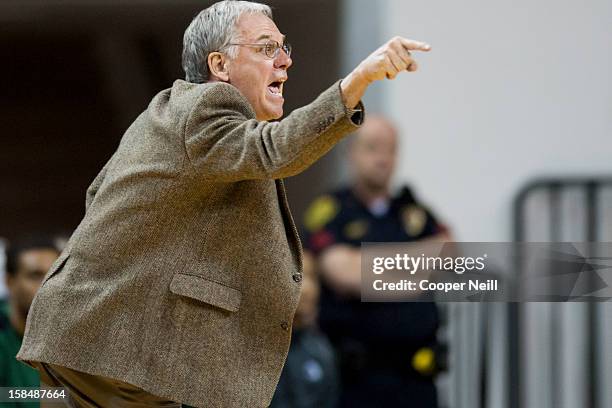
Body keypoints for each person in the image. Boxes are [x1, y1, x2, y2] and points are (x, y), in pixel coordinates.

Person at [17, 1, 432, 406]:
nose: (284, 61)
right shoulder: (209, 105)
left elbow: (97, 194)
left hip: (87, 342)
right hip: (115, 349)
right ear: (219, 66)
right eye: (267, 48)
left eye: (284, 47)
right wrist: (354, 84)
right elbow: (274, 150)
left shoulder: (170, 113)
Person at [303, 115, 450, 407]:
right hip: (356, 383)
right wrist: (416, 269)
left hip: (415, 382)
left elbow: (447, 254)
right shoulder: (331, 211)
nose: (383, 158)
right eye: (372, 148)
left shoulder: (413, 212)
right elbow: (343, 274)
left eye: (391, 149)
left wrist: (368, 268)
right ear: (351, 153)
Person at [270, 253, 339, 408]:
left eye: (312, 277)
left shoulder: (321, 351)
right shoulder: (249, 349)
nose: (307, 289)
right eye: (297, 277)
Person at [1, 237, 60, 408]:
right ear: (10, 282)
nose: (48, 285)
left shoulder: (73, 338)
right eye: (35, 275)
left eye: (55, 274)